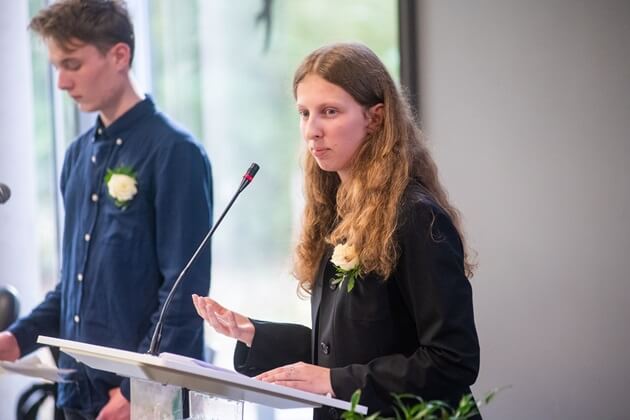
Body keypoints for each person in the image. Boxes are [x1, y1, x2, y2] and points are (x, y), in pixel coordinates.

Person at [192, 42, 480, 420]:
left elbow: (451, 361)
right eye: (304, 113)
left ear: (375, 118)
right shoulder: (336, 211)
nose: (312, 130)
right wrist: (254, 333)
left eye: (329, 112)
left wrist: (334, 381)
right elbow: (345, 349)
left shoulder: (416, 217)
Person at [0, 1, 213, 419]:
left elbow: (184, 296)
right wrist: (17, 338)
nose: (61, 82)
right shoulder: (77, 157)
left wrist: (137, 391)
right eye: (56, 66)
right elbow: (72, 289)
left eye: (72, 64)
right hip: (74, 394)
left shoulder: (175, 152)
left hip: (137, 400)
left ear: (119, 55)